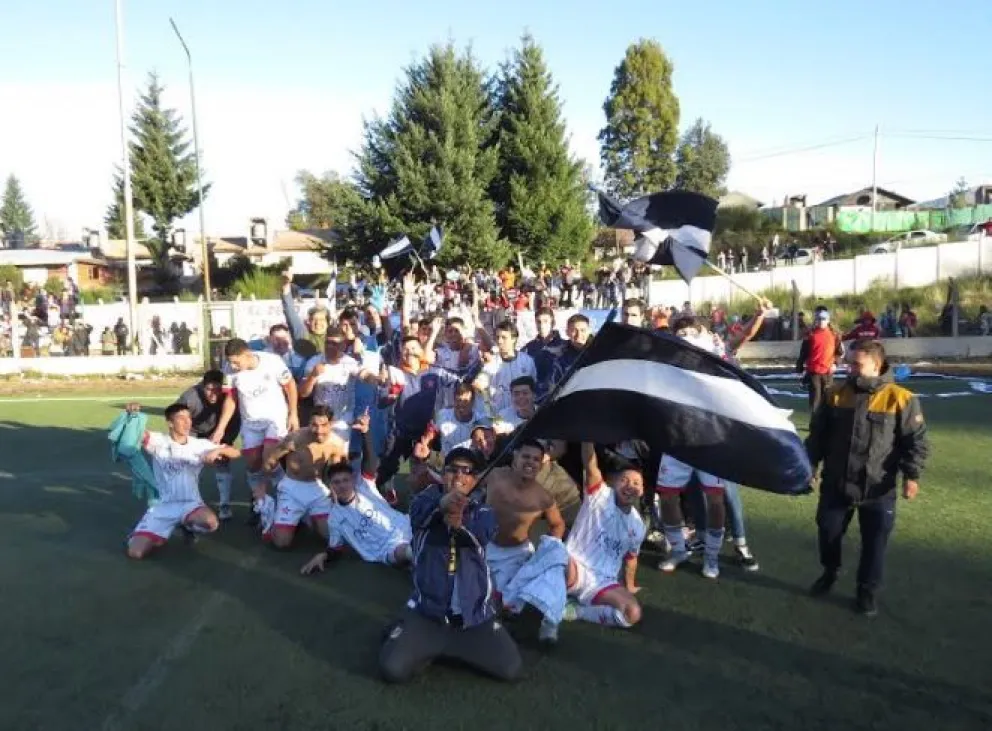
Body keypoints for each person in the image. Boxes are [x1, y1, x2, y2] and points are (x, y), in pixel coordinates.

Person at [806, 339, 929, 617]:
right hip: (837, 483)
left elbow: (916, 442)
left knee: (874, 543)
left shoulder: (902, 399)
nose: (850, 369)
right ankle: (831, 570)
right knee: (828, 531)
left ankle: (867, 590)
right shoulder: (835, 393)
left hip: (878, 488)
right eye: (848, 363)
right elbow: (818, 436)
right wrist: (810, 465)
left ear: (876, 365)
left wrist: (912, 475)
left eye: (856, 364)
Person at [378, 448, 522, 684]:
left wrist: (459, 525)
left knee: (510, 669)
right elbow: (420, 517)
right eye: (452, 469)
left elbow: (481, 536)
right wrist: (443, 506)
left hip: (473, 617)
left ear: (475, 480)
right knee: (392, 669)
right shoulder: (424, 500)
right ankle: (409, 627)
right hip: (428, 614)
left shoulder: (484, 510)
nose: (458, 476)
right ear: (442, 474)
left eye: (467, 471)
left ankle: (445, 647)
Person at [124, 402, 241, 559]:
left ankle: (187, 526)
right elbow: (137, 433)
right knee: (135, 553)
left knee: (210, 523)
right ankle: (144, 534)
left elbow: (236, 453)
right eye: (181, 418)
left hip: (190, 504)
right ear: (170, 423)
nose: (187, 422)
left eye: (189, 418)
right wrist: (132, 416)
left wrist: (218, 450)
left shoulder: (200, 445)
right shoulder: (158, 441)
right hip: (162, 506)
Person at [299, 411, 413, 573]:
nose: (342, 485)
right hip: (389, 548)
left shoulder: (365, 487)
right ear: (330, 485)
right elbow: (335, 549)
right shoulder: (334, 519)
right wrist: (323, 556)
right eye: (336, 482)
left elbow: (370, 463)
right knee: (406, 552)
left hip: (406, 524)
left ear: (352, 480)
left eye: (345, 480)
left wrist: (365, 433)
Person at [484, 440, 567, 643]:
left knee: (557, 556)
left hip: (516, 555)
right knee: (480, 600)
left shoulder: (543, 497)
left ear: (541, 465)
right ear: (515, 457)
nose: (530, 462)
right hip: (484, 547)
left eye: (536, 460)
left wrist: (549, 545)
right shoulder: (495, 476)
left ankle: (546, 623)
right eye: (526, 457)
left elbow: (558, 524)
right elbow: (470, 485)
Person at [212, 339, 299, 527]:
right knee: (252, 464)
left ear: (247, 354)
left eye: (236, 362)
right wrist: (220, 428)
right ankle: (260, 504)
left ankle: (290, 502)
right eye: (231, 362)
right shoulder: (230, 369)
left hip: (274, 419)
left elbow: (290, 386)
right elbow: (231, 399)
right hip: (250, 423)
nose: (233, 365)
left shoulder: (272, 361)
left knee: (269, 460)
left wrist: (293, 413)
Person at [559, 443, 644, 628]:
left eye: (636, 483)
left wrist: (628, 586)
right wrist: (587, 436)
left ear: (642, 490)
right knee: (554, 556)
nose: (630, 486)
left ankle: (577, 611)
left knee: (632, 614)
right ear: (614, 483)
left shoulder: (638, 525)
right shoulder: (599, 493)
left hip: (602, 582)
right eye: (625, 480)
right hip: (573, 568)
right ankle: (524, 602)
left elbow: (631, 558)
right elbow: (590, 464)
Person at [261, 405, 350, 547]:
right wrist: (262, 489)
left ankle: (307, 518)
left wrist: (335, 497)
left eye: (323, 425)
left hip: (317, 489)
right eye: (314, 425)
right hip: (291, 489)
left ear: (331, 424)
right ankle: (273, 516)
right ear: (309, 423)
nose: (319, 431)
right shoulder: (294, 438)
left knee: (332, 538)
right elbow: (270, 462)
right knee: (281, 543)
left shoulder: (336, 444)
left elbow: (335, 475)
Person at [178, 370, 242, 520]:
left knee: (222, 461)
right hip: (193, 431)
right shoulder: (189, 397)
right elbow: (177, 420)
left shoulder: (229, 398)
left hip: (219, 432)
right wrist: (186, 442)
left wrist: (223, 443)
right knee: (189, 464)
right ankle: (188, 502)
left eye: (217, 390)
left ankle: (224, 505)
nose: (213, 394)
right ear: (202, 386)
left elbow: (235, 422)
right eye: (209, 390)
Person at [796, 308, 844, 413]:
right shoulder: (810, 335)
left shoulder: (835, 335)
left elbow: (839, 353)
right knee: (815, 401)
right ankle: (815, 423)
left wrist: (836, 364)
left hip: (828, 372)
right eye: (819, 319)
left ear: (828, 320)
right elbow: (803, 354)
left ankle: (828, 423)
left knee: (829, 399)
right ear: (816, 320)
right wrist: (799, 370)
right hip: (814, 372)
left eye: (823, 319)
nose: (821, 321)